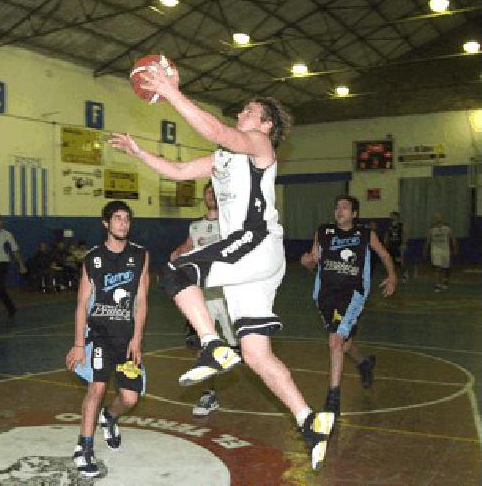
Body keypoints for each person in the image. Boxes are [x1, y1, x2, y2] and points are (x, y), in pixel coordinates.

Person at [109, 66, 335, 470]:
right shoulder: (224, 159)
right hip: (256, 263)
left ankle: (212, 345)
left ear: (266, 124)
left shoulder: (260, 145)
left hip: (256, 243)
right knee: (255, 353)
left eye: (250, 110)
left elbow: (216, 131)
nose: (243, 113)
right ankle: (310, 420)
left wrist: (170, 90)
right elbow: (179, 171)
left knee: (175, 271)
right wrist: (139, 152)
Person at [65, 201, 149, 478]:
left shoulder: (140, 255)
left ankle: (110, 417)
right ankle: (83, 447)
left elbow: (141, 300)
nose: (123, 223)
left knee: (129, 397)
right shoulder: (93, 258)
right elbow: (81, 303)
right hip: (99, 336)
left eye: (127, 219)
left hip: (126, 339)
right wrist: (79, 344)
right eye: (117, 218)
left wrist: (137, 339)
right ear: (105, 223)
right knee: (96, 390)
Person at [300, 196, 397, 417]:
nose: (340, 210)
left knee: (335, 341)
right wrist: (307, 261)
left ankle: (333, 397)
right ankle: (364, 362)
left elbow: (383, 253)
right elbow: (313, 259)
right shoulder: (323, 232)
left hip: (352, 293)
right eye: (337, 207)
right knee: (343, 344)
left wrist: (392, 276)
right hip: (325, 295)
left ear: (354, 214)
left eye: (345, 207)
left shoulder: (364, 234)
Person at [169, 181, 239, 417]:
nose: (210, 194)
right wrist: (177, 253)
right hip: (204, 298)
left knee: (243, 350)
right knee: (206, 348)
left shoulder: (231, 224)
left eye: (214, 191)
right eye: (207, 192)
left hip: (228, 295)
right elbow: (187, 246)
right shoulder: (196, 226)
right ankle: (209, 394)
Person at [423, 212, 458, 292]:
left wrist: (455, 248)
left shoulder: (447, 227)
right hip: (435, 250)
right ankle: (437, 284)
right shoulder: (432, 228)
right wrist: (425, 249)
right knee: (437, 267)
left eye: (439, 217)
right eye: (436, 217)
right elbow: (428, 240)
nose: (438, 218)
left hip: (445, 250)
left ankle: (445, 281)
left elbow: (453, 238)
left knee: (446, 268)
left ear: (442, 218)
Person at [384, 212, 408, 282]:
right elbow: (386, 235)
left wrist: (403, 244)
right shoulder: (389, 226)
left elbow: (405, 235)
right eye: (391, 216)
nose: (391, 217)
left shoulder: (401, 225)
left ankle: (405, 274)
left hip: (399, 245)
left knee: (400, 261)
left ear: (397, 217)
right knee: (391, 262)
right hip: (391, 245)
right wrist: (385, 244)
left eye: (393, 216)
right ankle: (393, 276)